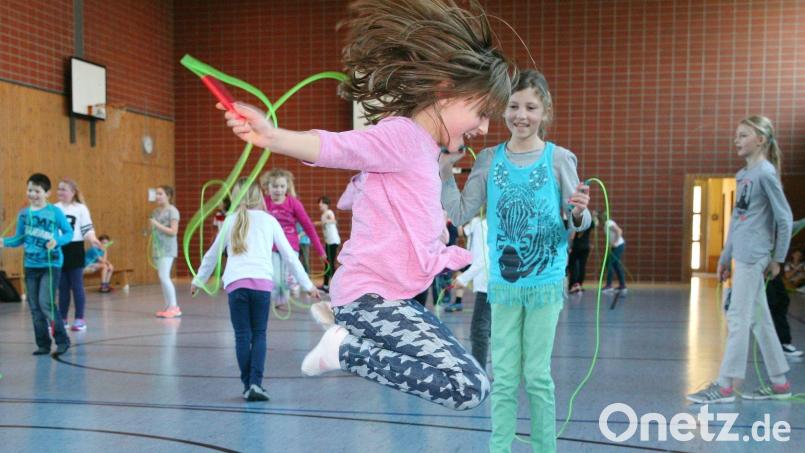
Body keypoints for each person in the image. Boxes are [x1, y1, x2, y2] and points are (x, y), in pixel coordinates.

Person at [220, 0, 512, 411]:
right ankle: (344, 351)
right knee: (468, 387)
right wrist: (273, 137)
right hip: (368, 299)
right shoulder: (403, 137)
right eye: (482, 113)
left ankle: (343, 346)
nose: (483, 127)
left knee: (473, 383)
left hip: (389, 299)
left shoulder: (425, 151)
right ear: (446, 91)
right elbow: (339, 147)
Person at [440, 69, 591, 452]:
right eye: (513, 106)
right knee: (504, 377)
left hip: (544, 284)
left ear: (544, 111)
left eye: (530, 107)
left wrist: (577, 213)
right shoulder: (490, 160)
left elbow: (581, 220)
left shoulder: (559, 159)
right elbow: (459, 213)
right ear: (502, 109)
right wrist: (442, 169)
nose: (521, 115)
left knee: (537, 376)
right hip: (504, 288)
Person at [687, 115, 793, 403]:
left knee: (737, 318)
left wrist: (778, 258)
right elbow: (737, 220)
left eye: (743, 135)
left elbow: (785, 218)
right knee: (760, 319)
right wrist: (724, 256)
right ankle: (780, 382)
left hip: (756, 256)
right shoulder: (743, 175)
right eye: (737, 135)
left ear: (760, 139)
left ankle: (724, 386)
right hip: (741, 256)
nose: (737, 140)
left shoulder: (766, 173)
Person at [192, 178, 319, 401]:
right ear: (260, 196)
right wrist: (307, 285)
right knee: (259, 334)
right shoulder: (269, 221)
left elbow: (212, 254)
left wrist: (198, 280)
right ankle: (255, 384)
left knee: (242, 336)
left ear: (236, 197)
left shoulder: (230, 221)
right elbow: (289, 255)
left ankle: (247, 385)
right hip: (261, 285)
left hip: (236, 285)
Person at [1, 173, 73, 356]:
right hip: (30, 265)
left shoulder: (54, 212)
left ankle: (62, 340)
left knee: (46, 303)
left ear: (47, 193)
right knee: (34, 307)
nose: (32, 194)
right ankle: (43, 344)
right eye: (29, 190)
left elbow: (68, 233)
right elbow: (19, 238)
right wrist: (4, 242)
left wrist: (56, 241)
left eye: (37, 191)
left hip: (51, 264)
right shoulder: (24, 214)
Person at [260, 168, 325, 303]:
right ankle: (280, 302)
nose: (278, 190)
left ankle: (293, 283)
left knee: (289, 278)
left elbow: (308, 226)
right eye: (275, 186)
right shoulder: (264, 203)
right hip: (272, 247)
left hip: (290, 245)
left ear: (287, 187)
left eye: (282, 186)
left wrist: (320, 250)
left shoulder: (293, 203)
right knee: (276, 280)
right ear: (268, 187)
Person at [55, 178, 102, 331]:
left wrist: (93, 239)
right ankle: (62, 319)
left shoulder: (81, 209)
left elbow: (87, 229)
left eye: (64, 189)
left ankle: (79, 319)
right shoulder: (54, 208)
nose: (60, 192)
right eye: (59, 189)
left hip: (75, 249)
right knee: (62, 287)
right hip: (59, 248)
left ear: (73, 192)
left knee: (77, 286)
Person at [452, 216, 489, 367]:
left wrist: (463, 279)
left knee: (479, 332)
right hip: (490, 284)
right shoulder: (476, 225)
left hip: (488, 287)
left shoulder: (481, 225)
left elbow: (483, 258)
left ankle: (479, 372)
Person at [150, 185, 181, 318]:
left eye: (160, 194)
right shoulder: (156, 212)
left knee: (164, 276)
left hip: (168, 248)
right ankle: (168, 306)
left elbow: (173, 231)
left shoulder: (173, 211)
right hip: (158, 248)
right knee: (162, 278)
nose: (157, 196)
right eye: (156, 194)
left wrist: (156, 224)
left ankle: (174, 306)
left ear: (168, 196)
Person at [316, 196, 340, 292]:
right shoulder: (323, 215)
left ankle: (337, 285)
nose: (320, 205)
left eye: (322, 203)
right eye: (319, 203)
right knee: (327, 264)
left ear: (326, 204)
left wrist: (322, 222)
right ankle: (326, 285)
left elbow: (334, 221)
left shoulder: (329, 213)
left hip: (333, 242)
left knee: (330, 264)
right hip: (328, 242)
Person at [603, 218, 627, 294]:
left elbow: (619, 231)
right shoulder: (605, 225)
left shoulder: (608, 222)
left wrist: (615, 242)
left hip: (618, 245)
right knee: (616, 265)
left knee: (609, 264)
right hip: (615, 246)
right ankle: (623, 285)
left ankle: (609, 285)